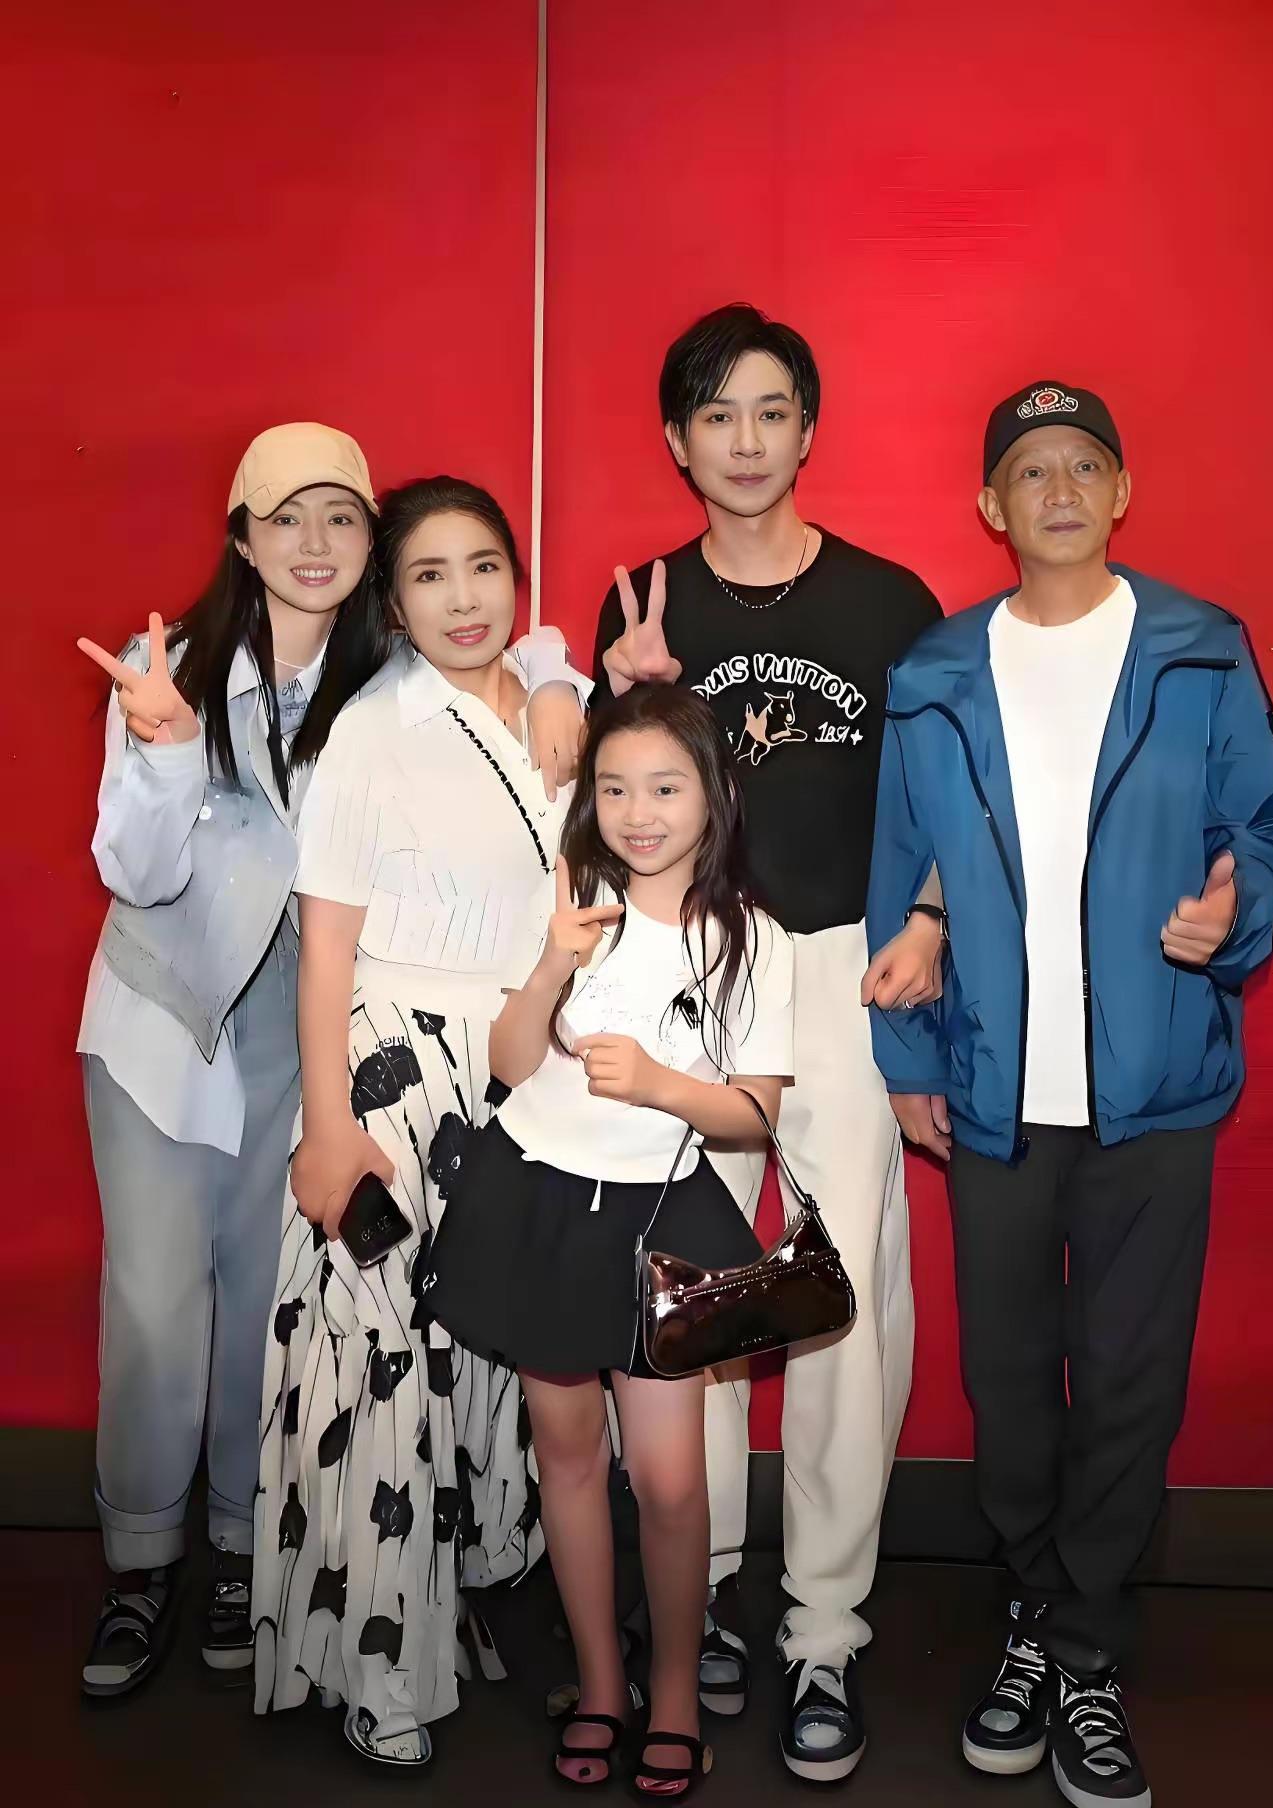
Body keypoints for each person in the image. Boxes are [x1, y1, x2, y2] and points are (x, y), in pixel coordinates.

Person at [865, 382, 1273, 1808]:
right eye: (1029, 470)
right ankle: (1034, 1612)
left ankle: (1087, 1652)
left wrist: (1236, 912)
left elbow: (1268, 821)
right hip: (995, 1090)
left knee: (1128, 1380)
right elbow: (901, 871)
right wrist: (910, 1059)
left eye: (1083, 466)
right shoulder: (936, 670)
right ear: (990, 505)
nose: (1057, 489)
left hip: (1156, 1091)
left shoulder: (1199, 649)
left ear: (1121, 492)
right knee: (1009, 1383)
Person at [530, 304, 944, 1780]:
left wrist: (932, 927)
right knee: (687, 1284)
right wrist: (623, 689)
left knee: (839, 1292)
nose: (747, 441)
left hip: (838, 963)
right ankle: (692, 1593)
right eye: (717, 415)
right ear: (677, 439)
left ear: (809, 427)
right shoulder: (645, 603)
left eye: (772, 411)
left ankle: (824, 1625)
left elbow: (944, 798)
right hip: (688, 964)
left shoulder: (892, 603)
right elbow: (600, 804)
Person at [251, 475, 590, 1766]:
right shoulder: (372, 728)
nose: (463, 599)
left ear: (518, 577)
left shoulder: (553, 702)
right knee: (380, 1367)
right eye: (430, 576)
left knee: (494, 1362)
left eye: (484, 566)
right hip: (395, 1069)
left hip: (525, 1072)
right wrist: (327, 1126)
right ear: (392, 603)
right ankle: (376, 1670)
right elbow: (323, 949)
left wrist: (553, 676)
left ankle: (482, 1599)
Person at [427, 684, 795, 1797]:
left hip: (660, 1221)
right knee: (569, 1455)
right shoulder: (573, 897)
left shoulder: (752, 938)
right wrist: (552, 962)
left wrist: (661, 1082)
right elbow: (507, 1061)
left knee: (672, 1483)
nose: (640, 813)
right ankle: (601, 1686)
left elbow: (754, 1114)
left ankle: (673, 1689)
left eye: (666, 788)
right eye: (617, 788)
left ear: (714, 795)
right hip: (541, 1203)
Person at [75, 423, 390, 1696]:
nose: (314, 542)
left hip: (305, 1038)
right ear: (242, 539)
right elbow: (134, 870)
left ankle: (242, 1546)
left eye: (341, 516)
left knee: (272, 1303)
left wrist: (547, 681)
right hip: (162, 1026)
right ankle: (141, 1565)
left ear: (371, 539)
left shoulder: (393, 681)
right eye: (285, 516)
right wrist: (161, 749)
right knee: (156, 1304)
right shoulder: (175, 670)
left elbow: (512, 669)